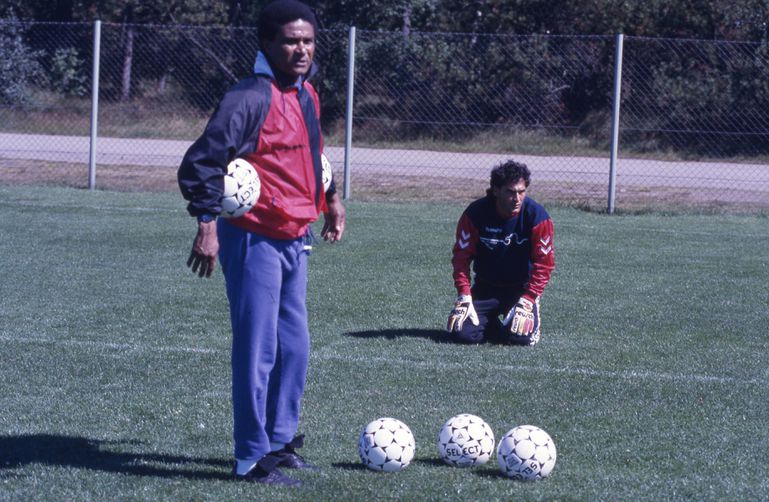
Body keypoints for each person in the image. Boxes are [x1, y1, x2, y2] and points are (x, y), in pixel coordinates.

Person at [177, 0, 345, 487]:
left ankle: (279, 441)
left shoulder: (306, 93)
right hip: (253, 239)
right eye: (291, 40)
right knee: (258, 350)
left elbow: (311, 153)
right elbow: (202, 161)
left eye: (308, 40)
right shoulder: (249, 96)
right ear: (268, 44)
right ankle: (250, 457)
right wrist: (206, 222)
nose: (301, 49)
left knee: (295, 347)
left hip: (297, 235)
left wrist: (330, 198)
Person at [446, 160, 554, 345]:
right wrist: (464, 294)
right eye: (510, 192)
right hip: (486, 287)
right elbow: (461, 258)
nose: (517, 198)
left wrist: (529, 297)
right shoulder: (475, 213)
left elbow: (544, 264)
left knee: (520, 339)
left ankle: (521, 320)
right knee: (462, 335)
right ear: (496, 190)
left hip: (520, 289)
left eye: (521, 192)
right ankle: (495, 325)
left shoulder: (537, 217)